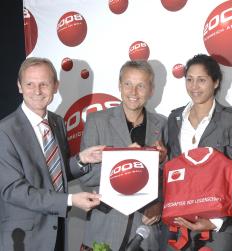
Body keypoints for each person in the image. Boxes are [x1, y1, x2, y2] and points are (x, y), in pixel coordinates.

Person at [0, 57, 104, 251]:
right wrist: (70, 200)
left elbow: (53, 174)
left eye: (44, 84)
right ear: (19, 86)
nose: (37, 91)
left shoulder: (57, 122)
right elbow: (14, 190)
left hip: (57, 232)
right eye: (30, 84)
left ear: (56, 86)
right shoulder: (5, 131)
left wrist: (82, 160)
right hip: (25, 240)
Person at [79, 60, 167, 251]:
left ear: (151, 89)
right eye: (128, 84)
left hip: (146, 232)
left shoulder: (164, 125)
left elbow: (171, 178)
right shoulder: (96, 121)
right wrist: (122, 160)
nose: (133, 92)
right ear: (119, 86)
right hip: (104, 229)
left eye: (141, 86)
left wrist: (160, 204)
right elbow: (86, 177)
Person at [165, 54, 232, 250]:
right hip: (179, 224)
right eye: (189, 79)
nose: (194, 86)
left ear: (216, 82)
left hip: (218, 226)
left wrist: (216, 221)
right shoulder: (174, 118)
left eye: (201, 80)